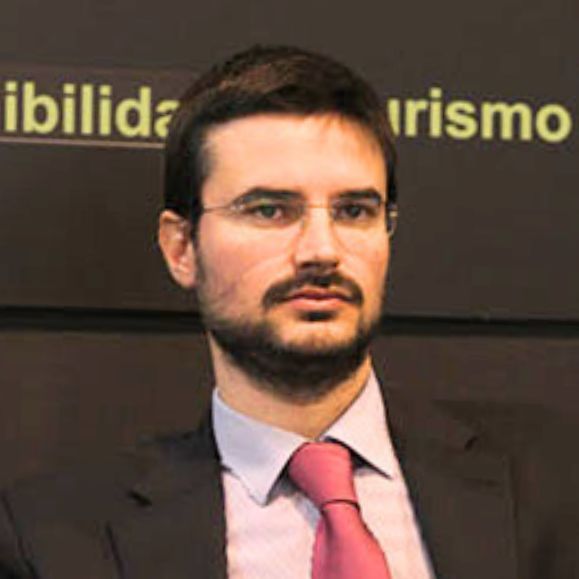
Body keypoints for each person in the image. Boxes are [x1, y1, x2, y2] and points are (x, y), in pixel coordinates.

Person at [0, 45, 577, 579]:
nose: (322, 250)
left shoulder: (552, 479)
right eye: (270, 210)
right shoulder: (55, 541)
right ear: (181, 248)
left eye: (354, 211)